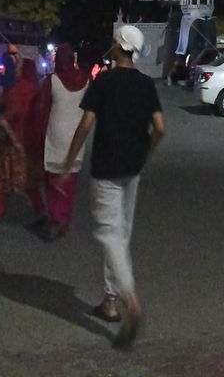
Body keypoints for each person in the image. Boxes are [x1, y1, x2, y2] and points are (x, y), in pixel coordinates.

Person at [59, 24, 165, 347]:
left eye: (113, 41)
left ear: (119, 45)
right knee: (121, 234)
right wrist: (146, 150)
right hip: (133, 168)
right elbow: (160, 127)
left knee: (109, 234)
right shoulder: (147, 84)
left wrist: (68, 161)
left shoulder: (103, 81)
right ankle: (109, 301)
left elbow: (86, 124)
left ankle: (129, 299)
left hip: (106, 168)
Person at [0, 58, 46, 228]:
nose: (17, 69)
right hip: (27, 141)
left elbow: (12, 112)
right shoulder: (36, 88)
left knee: (2, 179)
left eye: (19, 67)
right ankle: (41, 211)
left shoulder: (16, 88)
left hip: (9, 141)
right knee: (29, 180)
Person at [34, 43, 89, 240]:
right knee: (70, 182)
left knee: (53, 181)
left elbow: (41, 109)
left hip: (55, 135)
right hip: (77, 137)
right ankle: (64, 219)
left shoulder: (53, 80)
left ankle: (56, 218)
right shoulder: (86, 79)